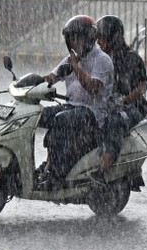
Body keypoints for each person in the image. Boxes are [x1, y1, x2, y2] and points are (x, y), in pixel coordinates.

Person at [37, 15, 114, 190]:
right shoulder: (71, 59)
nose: (74, 41)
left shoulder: (102, 60)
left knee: (61, 120)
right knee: (37, 116)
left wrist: (76, 67)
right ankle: (45, 166)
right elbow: (51, 77)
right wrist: (30, 83)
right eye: (71, 38)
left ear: (89, 37)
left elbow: (93, 88)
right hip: (72, 107)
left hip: (94, 113)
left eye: (78, 37)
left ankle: (58, 175)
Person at [90, 15, 147, 184]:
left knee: (114, 122)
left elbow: (142, 86)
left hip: (133, 106)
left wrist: (124, 100)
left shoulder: (132, 58)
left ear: (112, 37)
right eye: (97, 38)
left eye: (102, 37)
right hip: (109, 105)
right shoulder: (100, 58)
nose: (98, 42)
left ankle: (104, 169)